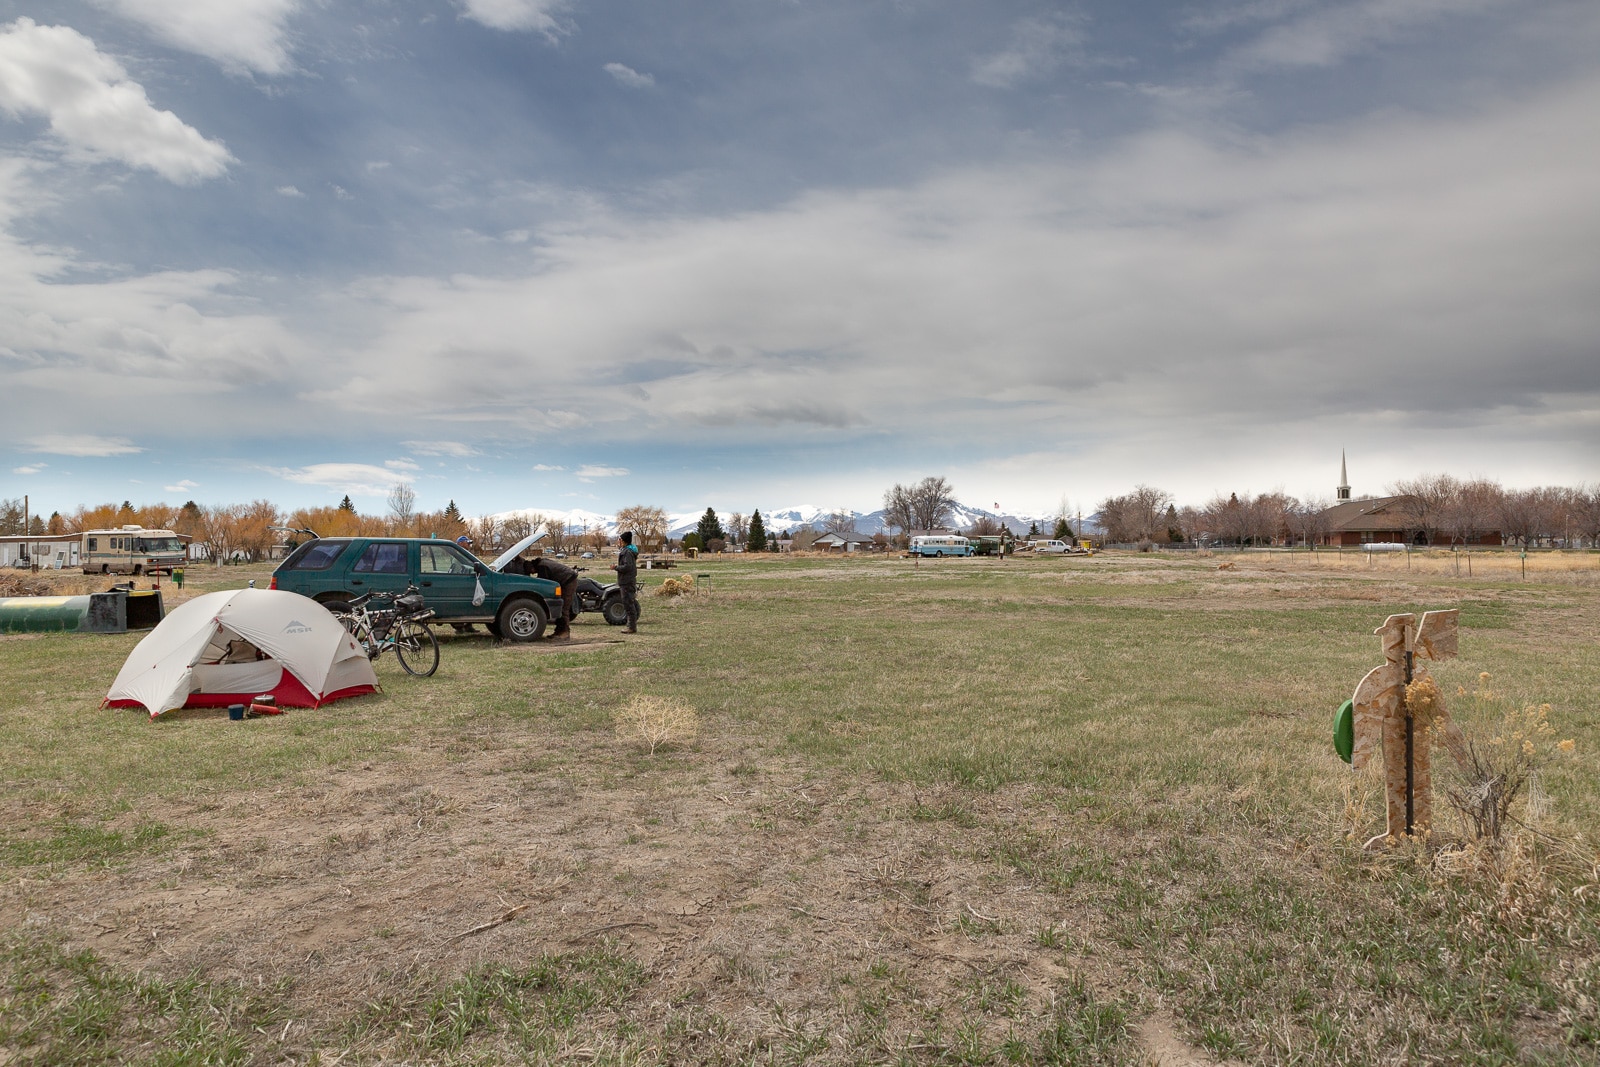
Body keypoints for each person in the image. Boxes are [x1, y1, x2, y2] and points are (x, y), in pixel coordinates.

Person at [526, 552, 579, 639]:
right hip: (566, 580)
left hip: (569, 582)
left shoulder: (542, 567)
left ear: (532, 567)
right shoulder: (543, 562)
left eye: (531, 572)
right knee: (561, 607)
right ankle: (558, 631)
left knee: (563, 608)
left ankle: (565, 632)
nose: (532, 573)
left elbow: (543, 583)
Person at [613, 530, 640, 633]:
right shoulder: (627, 551)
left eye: (619, 539)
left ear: (623, 541)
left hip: (627, 582)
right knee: (628, 603)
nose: (618, 541)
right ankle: (631, 626)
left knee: (629, 604)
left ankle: (631, 627)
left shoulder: (627, 552)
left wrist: (616, 567)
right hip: (627, 581)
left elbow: (627, 567)